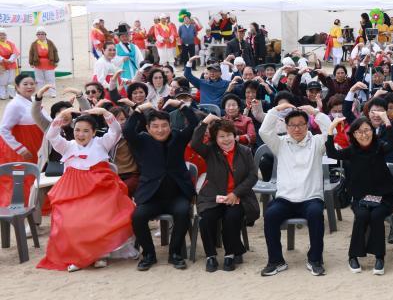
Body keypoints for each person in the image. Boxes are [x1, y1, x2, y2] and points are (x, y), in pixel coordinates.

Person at [37, 107, 135, 271]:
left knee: (98, 217)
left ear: (94, 132)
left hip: (99, 188)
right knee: (69, 221)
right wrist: (60, 117)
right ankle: (77, 256)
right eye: (77, 130)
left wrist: (105, 113)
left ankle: (100, 254)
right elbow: (52, 135)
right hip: (72, 189)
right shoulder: (67, 146)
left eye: (86, 131)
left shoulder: (102, 143)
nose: (80, 134)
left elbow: (116, 130)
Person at [258, 103, 331, 277]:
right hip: (285, 199)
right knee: (270, 214)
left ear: (307, 125)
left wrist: (316, 113)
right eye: (292, 125)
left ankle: (315, 259)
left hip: (311, 198)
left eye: (301, 124)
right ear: (286, 126)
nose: (297, 129)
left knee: (316, 214)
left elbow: (331, 131)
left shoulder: (317, 142)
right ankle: (276, 261)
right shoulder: (280, 143)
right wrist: (276, 109)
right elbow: (264, 131)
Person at [125, 103, 199, 271]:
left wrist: (181, 106)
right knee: (137, 217)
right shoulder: (142, 141)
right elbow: (128, 131)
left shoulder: (178, 138)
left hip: (177, 195)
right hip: (151, 196)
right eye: (155, 126)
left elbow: (194, 123)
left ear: (170, 126)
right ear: (148, 128)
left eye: (164, 125)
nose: (160, 130)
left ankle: (175, 253)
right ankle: (149, 254)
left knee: (183, 212)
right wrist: (138, 110)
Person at [325, 116, 393, 275]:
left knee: (377, 215)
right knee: (362, 215)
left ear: (373, 131)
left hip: (384, 197)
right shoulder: (351, 151)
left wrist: (386, 121)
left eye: (367, 130)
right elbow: (331, 153)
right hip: (361, 198)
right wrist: (331, 129)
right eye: (359, 132)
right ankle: (353, 256)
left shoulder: (380, 147)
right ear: (353, 134)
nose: (364, 135)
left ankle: (379, 257)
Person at [190, 115, 259, 272]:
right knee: (206, 219)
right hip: (212, 196)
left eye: (229, 135)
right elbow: (195, 143)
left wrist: (236, 193)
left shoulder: (245, 151)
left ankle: (230, 254)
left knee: (232, 217)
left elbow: (253, 176)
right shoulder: (210, 150)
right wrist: (205, 121)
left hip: (238, 197)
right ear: (215, 138)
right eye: (221, 136)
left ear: (234, 135)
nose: (226, 139)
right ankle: (210, 256)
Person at [0, 74, 43, 207]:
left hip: (34, 143)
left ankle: (35, 203)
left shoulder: (34, 100)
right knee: (21, 176)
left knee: (33, 173)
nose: (29, 86)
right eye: (25, 84)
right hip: (18, 148)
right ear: (17, 87)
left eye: (32, 83)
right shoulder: (14, 105)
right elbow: (3, 129)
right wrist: (20, 148)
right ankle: (21, 205)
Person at [29, 27, 59, 96]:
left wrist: (56, 61)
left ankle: (53, 93)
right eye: (39, 34)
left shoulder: (50, 42)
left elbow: (55, 51)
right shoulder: (34, 44)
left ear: (45, 34)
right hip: (38, 64)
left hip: (49, 63)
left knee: (50, 79)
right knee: (39, 80)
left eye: (42, 34)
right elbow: (31, 53)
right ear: (37, 35)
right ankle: (41, 93)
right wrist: (31, 63)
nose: (40, 35)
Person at [0, 28, 20, 100]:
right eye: (0, 35)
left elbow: (16, 52)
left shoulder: (11, 43)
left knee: (11, 80)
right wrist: (3, 59)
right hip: (1, 64)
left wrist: (10, 60)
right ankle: (2, 95)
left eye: (4, 35)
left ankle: (11, 94)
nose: (2, 36)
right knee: (2, 81)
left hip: (11, 63)